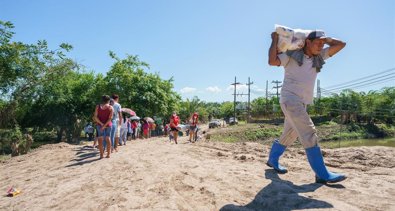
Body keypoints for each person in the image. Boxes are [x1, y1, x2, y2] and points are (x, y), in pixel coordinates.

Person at [267, 30, 347, 183]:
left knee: (290, 134)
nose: (320, 46)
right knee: (309, 131)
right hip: (290, 100)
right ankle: (322, 173)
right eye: (317, 42)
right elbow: (272, 61)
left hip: (301, 102)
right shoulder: (292, 56)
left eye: (322, 44)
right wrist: (274, 40)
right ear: (307, 42)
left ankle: (272, 159)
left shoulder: (319, 57)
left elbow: (341, 44)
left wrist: (326, 39)